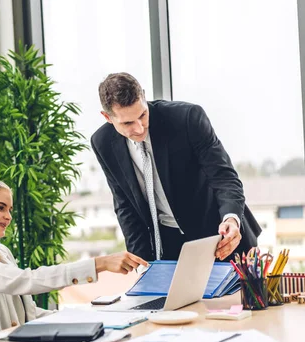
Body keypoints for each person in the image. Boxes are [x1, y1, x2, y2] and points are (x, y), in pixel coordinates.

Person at [91, 73, 261, 262]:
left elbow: (224, 177)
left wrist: (231, 218)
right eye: (128, 123)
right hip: (170, 247)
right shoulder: (103, 143)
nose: (139, 128)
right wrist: (141, 264)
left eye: (142, 115)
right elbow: (125, 206)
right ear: (107, 117)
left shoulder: (187, 118)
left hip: (221, 237)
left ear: (144, 98)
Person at [0, 177, 148, 331]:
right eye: (0, 208)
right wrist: (99, 264)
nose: (8, 216)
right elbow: (28, 280)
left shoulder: (1, 252)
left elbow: (28, 314)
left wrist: (88, 315)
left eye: (10, 209)